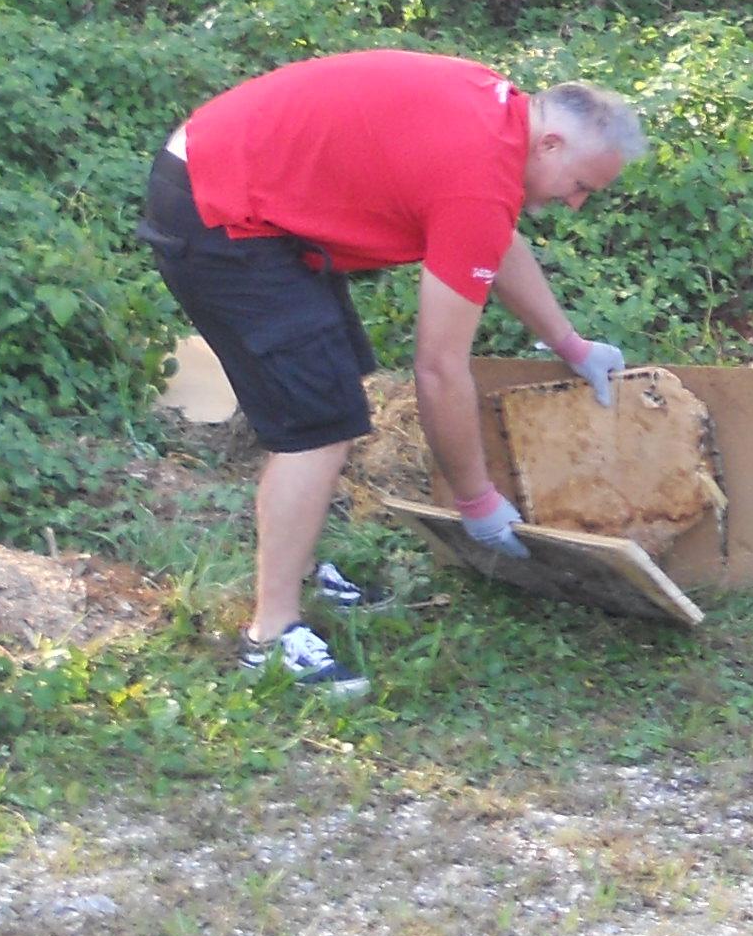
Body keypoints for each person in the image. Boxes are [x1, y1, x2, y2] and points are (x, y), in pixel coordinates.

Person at [142, 54, 645, 698]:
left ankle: (296, 573)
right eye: (580, 186)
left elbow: (496, 238)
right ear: (550, 142)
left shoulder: (499, 117)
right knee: (318, 428)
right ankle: (270, 639)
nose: (573, 204)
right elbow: (438, 369)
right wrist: (476, 502)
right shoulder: (480, 173)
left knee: (334, 393)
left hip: (243, 184)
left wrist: (569, 344)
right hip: (220, 205)